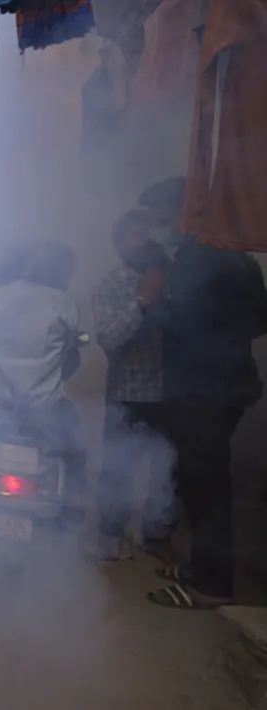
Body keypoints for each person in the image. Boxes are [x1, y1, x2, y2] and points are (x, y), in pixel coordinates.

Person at [137, 181, 267, 610]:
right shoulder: (236, 254)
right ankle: (202, 568)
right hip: (231, 384)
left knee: (205, 487)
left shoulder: (196, 255)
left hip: (201, 390)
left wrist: (150, 302)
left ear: (184, 212)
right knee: (205, 482)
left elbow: (184, 326)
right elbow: (258, 322)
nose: (156, 226)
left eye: (159, 215)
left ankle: (211, 585)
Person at [93, 210, 177, 562]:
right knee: (119, 471)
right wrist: (142, 301)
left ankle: (156, 539)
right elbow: (109, 339)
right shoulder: (113, 283)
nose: (147, 242)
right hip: (129, 394)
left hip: (174, 393)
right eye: (137, 236)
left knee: (169, 471)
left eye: (150, 234)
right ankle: (111, 537)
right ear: (121, 245)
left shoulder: (176, 278)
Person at [0, 241, 85, 462]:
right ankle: (76, 491)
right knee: (74, 460)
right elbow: (72, 352)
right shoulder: (64, 303)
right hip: (47, 414)